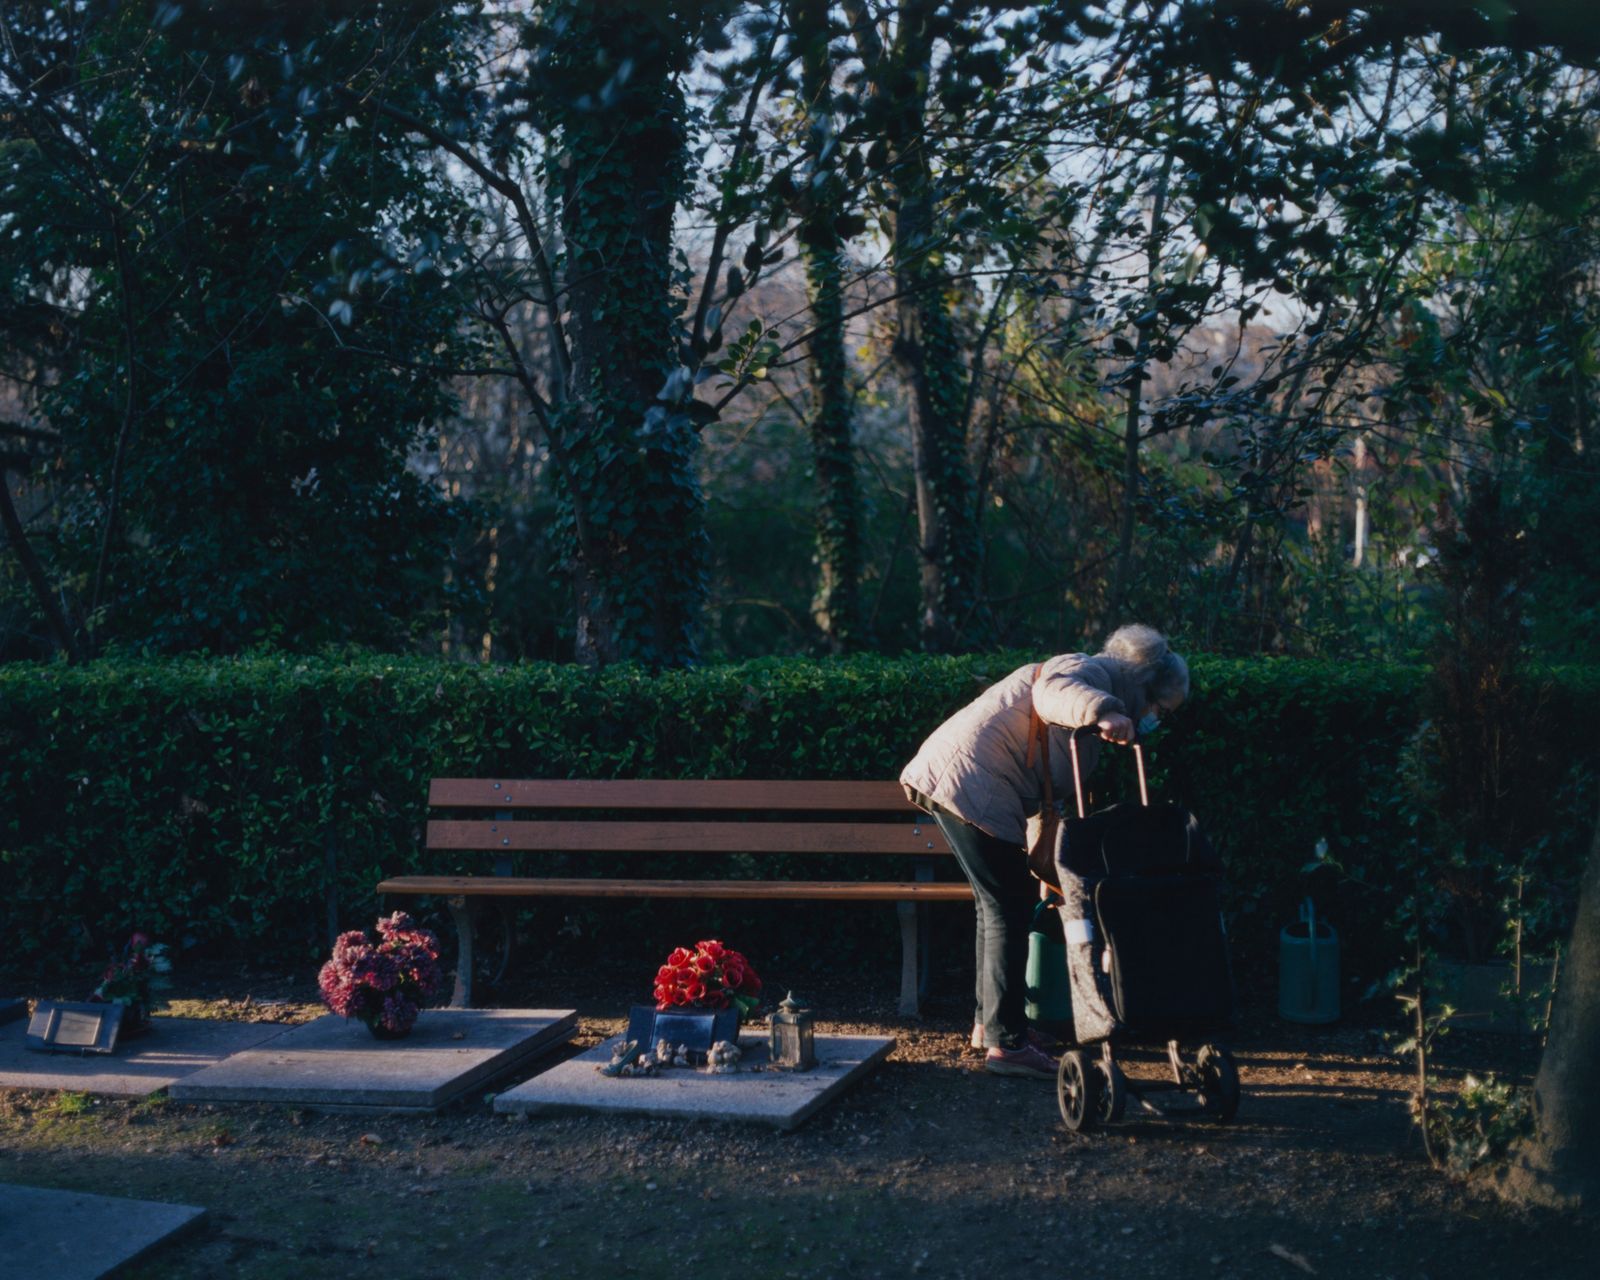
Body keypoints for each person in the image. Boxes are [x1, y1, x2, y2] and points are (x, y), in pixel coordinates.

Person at [899, 624, 1190, 1078]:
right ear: (1144, 684)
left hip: (966, 780)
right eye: (1158, 708)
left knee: (996, 906)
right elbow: (1053, 693)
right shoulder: (1087, 672)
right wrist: (1103, 711)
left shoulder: (1095, 706)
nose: (1155, 719)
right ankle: (1007, 1043)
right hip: (969, 781)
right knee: (1006, 909)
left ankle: (991, 1026)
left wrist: (1046, 868)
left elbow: (1046, 795)